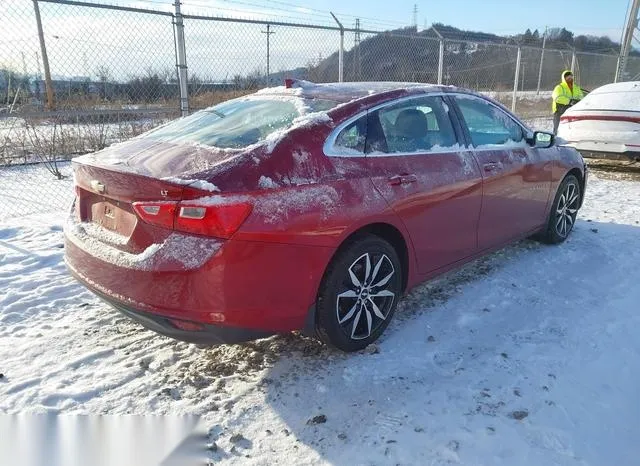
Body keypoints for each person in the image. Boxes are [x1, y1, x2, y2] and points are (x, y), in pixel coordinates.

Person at [552, 70, 584, 135]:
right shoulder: (559, 87)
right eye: (567, 77)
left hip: (573, 111)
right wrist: (570, 101)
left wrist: (577, 101)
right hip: (560, 111)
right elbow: (557, 98)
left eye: (571, 76)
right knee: (558, 130)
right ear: (564, 78)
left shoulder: (576, 88)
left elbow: (582, 97)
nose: (569, 78)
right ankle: (555, 141)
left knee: (572, 130)